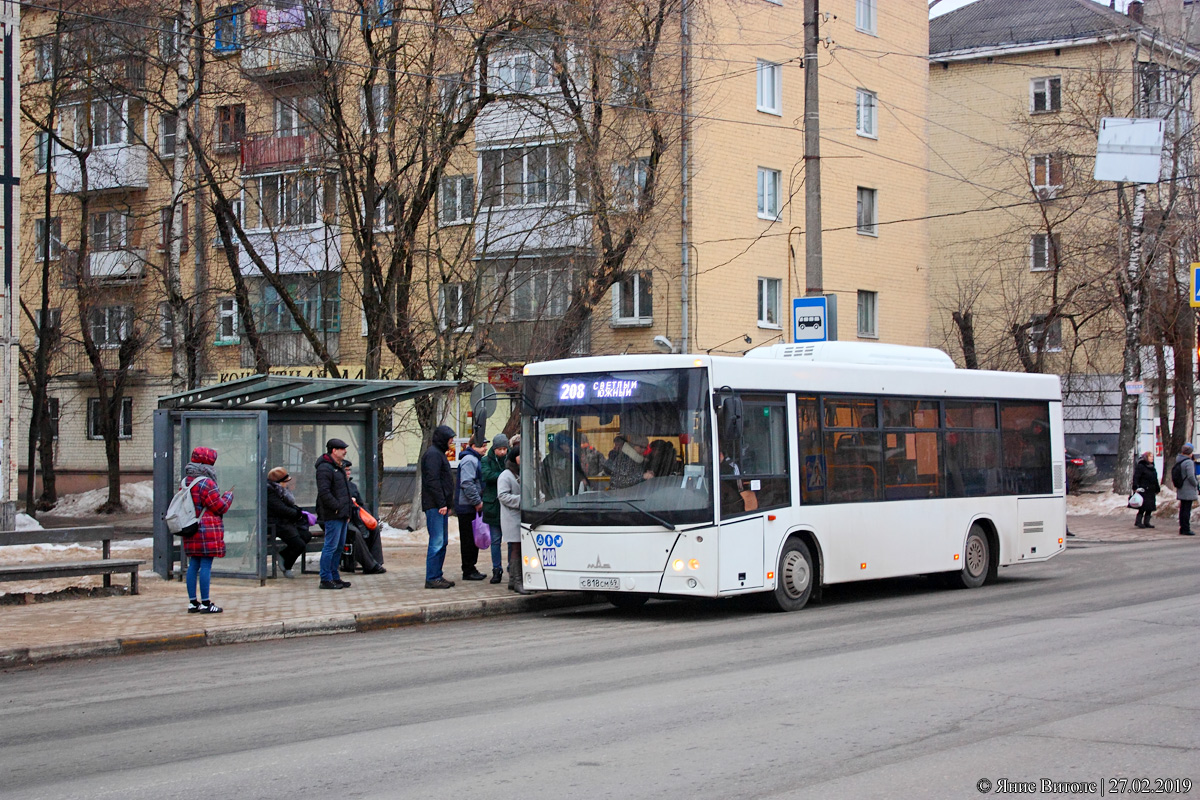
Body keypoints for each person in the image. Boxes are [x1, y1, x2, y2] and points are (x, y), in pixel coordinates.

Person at [182, 447, 233, 613]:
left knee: (193, 565)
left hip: (191, 527)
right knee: (205, 565)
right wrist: (228, 496)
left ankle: (192, 602)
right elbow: (219, 507)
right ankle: (205, 603)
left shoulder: (186, 481)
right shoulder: (207, 483)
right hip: (207, 530)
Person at [314, 438, 354, 590]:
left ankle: (334, 577)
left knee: (338, 547)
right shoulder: (325, 468)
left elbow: (345, 491)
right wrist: (337, 507)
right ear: (333, 450)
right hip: (333, 514)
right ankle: (325, 578)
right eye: (342, 449)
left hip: (342, 514)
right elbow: (324, 492)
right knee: (330, 547)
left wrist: (347, 510)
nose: (345, 451)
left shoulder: (339, 467)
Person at [422, 424, 457, 589]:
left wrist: (447, 504)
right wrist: (442, 503)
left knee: (441, 542)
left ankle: (437, 575)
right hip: (435, 506)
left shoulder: (438, 454)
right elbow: (433, 481)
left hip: (440, 506)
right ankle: (432, 577)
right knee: (436, 542)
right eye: (450, 439)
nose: (451, 442)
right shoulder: (433, 455)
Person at [266, 467, 315, 578]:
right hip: (275, 523)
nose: (287, 485)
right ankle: (287, 566)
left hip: (285, 522)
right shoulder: (269, 491)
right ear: (279, 482)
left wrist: (298, 512)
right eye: (285, 482)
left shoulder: (281, 490)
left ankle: (283, 555)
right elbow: (280, 508)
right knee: (299, 544)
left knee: (306, 535)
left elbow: (288, 507)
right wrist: (298, 513)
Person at [455, 435, 490, 581]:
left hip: (469, 506)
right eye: (482, 445)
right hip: (467, 507)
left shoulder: (474, 459)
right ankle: (468, 569)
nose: (485, 448)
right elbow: (467, 483)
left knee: (472, 539)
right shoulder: (470, 460)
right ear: (474, 446)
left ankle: (471, 567)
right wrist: (477, 502)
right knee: (469, 540)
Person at [343, 460, 385, 574]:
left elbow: (361, 505)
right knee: (355, 533)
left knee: (374, 527)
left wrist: (369, 518)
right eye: (345, 470)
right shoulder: (336, 486)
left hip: (356, 518)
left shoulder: (352, 486)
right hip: (343, 519)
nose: (348, 473)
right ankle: (370, 565)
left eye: (349, 470)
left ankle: (377, 562)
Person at [498, 445, 530, 594]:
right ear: (513, 458)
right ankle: (517, 580)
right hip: (511, 518)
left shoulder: (520, 473)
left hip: (520, 517)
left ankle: (513, 580)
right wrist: (523, 501)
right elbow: (503, 496)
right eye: (519, 456)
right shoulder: (505, 475)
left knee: (519, 548)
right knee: (516, 549)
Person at [480, 433, 510, 584]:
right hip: (493, 505)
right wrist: (505, 476)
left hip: (508, 506)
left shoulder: (511, 458)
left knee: (512, 539)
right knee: (495, 541)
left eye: (505, 449)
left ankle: (513, 568)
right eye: (500, 449)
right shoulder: (486, 460)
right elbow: (487, 475)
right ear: (495, 448)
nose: (503, 452)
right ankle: (496, 569)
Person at [541, 431, 587, 498]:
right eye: (566, 444)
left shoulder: (572, 458)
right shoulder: (555, 461)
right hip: (561, 499)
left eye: (569, 445)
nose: (568, 447)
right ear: (560, 446)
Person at [1132, 451, 1160, 529]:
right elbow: (1136, 477)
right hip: (1143, 489)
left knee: (1150, 507)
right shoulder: (1141, 466)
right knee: (1143, 506)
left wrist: (1157, 488)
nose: (1152, 458)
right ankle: (1138, 521)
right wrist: (1135, 487)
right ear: (1146, 457)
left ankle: (1147, 522)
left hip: (1151, 489)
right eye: (1150, 457)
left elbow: (1155, 478)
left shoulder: (1152, 466)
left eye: (1152, 457)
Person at [1176, 443, 1198, 536]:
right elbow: (1191, 476)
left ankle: (1182, 527)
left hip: (1181, 487)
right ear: (1190, 453)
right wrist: (1196, 484)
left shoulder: (1179, 460)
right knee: (1186, 510)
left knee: (1183, 508)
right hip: (1188, 488)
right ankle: (1186, 528)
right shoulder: (1189, 462)